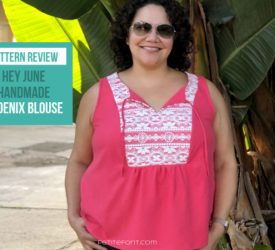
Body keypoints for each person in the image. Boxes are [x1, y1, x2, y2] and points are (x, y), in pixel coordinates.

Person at [65, 0, 238, 249]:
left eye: (164, 30)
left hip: (186, 241)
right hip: (111, 240)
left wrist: (219, 225)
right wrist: (73, 216)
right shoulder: (97, 95)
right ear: (126, 35)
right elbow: (79, 160)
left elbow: (225, 163)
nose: (152, 37)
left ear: (174, 38)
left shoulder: (205, 93)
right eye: (142, 28)